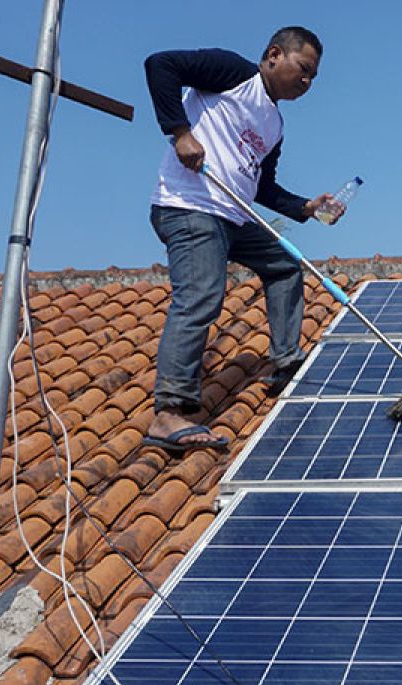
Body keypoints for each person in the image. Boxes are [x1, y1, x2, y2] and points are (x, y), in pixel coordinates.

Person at [142, 26, 342, 454]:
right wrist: (180, 132)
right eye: (303, 70)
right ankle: (169, 411)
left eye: (313, 79)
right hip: (191, 205)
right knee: (201, 295)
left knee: (285, 265)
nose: (306, 83)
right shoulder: (234, 74)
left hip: (233, 215)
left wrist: (306, 207)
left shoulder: (275, 125)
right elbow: (161, 64)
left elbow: (262, 188)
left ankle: (286, 360)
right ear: (273, 55)